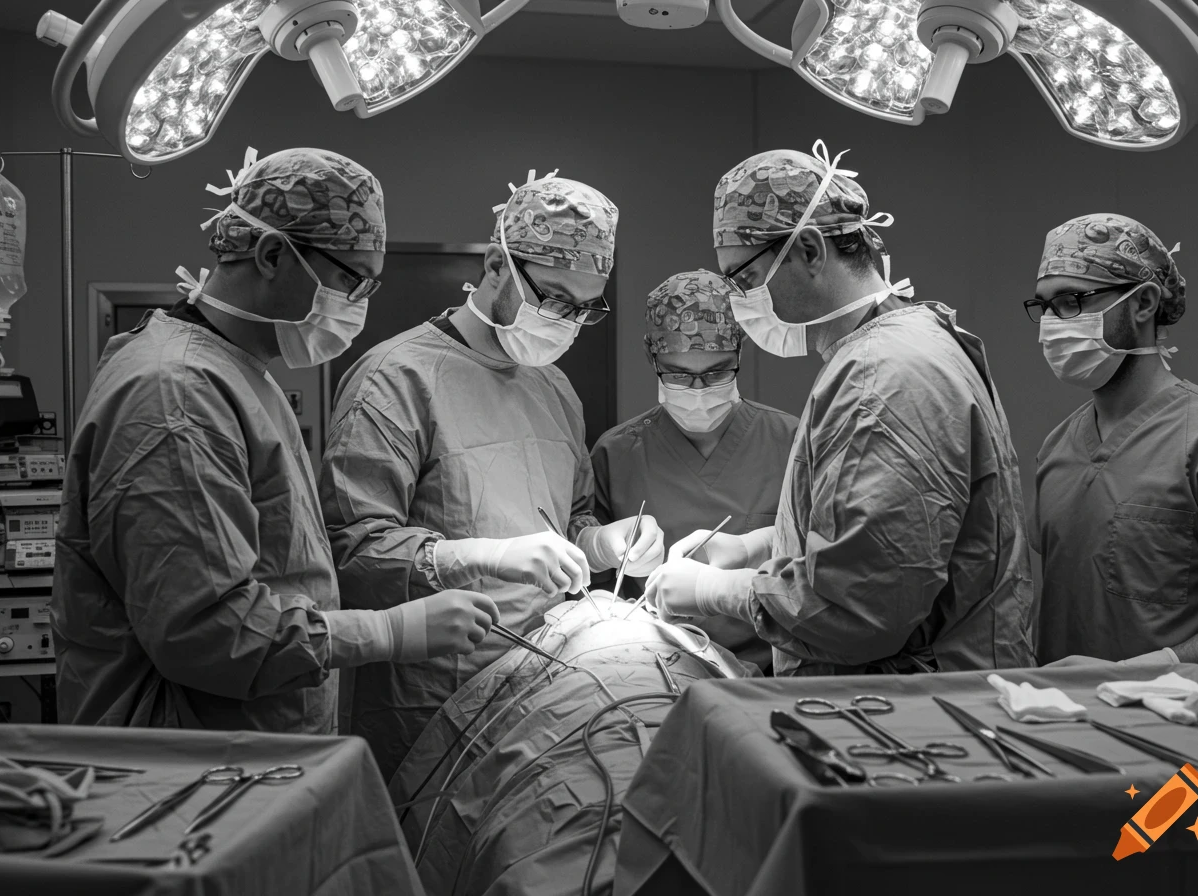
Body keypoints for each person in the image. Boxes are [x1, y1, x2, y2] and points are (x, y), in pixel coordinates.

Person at [52, 147, 497, 732]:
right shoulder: (176, 396)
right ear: (269, 254)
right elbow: (210, 633)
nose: (359, 303)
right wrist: (389, 630)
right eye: (349, 280)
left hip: (247, 748)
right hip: (185, 763)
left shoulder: (239, 374)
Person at [644, 141, 1036, 675]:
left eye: (742, 277)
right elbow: (887, 538)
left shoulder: (885, 376)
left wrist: (718, 591)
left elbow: (856, 609)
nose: (737, 299)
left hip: (909, 718)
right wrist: (761, 548)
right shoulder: (909, 341)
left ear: (808, 250)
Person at [320, 170, 663, 776]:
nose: (565, 320)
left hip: (546, 690)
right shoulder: (396, 379)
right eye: (552, 297)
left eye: (585, 308)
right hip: (431, 698)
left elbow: (568, 515)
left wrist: (597, 542)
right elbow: (353, 553)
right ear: (496, 263)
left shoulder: (554, 386)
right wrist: (484, 557)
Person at [1029, 213, 1198, 673]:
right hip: (1060, 719)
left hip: (1183, 729)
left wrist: (1144, 674)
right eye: (1043, 305)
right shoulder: (1057, 447)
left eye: (1070, 300)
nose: (1051, 322)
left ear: (1143, 303)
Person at [591, 270, 797, 670]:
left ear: (740, 353)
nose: (699, 392)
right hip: (655, 669)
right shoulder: (617, 453)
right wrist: (608, 553)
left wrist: (756, 544)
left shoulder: (792, 442)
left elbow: (823, 557)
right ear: (652, 357)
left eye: (718, 372)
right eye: (678, 374)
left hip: (774, 670)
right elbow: (594, 590)